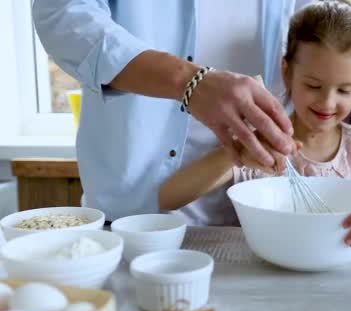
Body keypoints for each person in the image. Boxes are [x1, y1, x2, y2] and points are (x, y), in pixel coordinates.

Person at [159, 1, 351, 245]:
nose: (327, 102)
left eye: (344, 90)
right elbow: (167, 198)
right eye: (313, 85)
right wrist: (235, 153)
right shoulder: (263, 143)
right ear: (287, 72)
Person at [32, 1, 310, 223]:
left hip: (258, 213)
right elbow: (62, 14)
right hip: (135, 215)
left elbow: (311, 31)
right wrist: (188, 81)